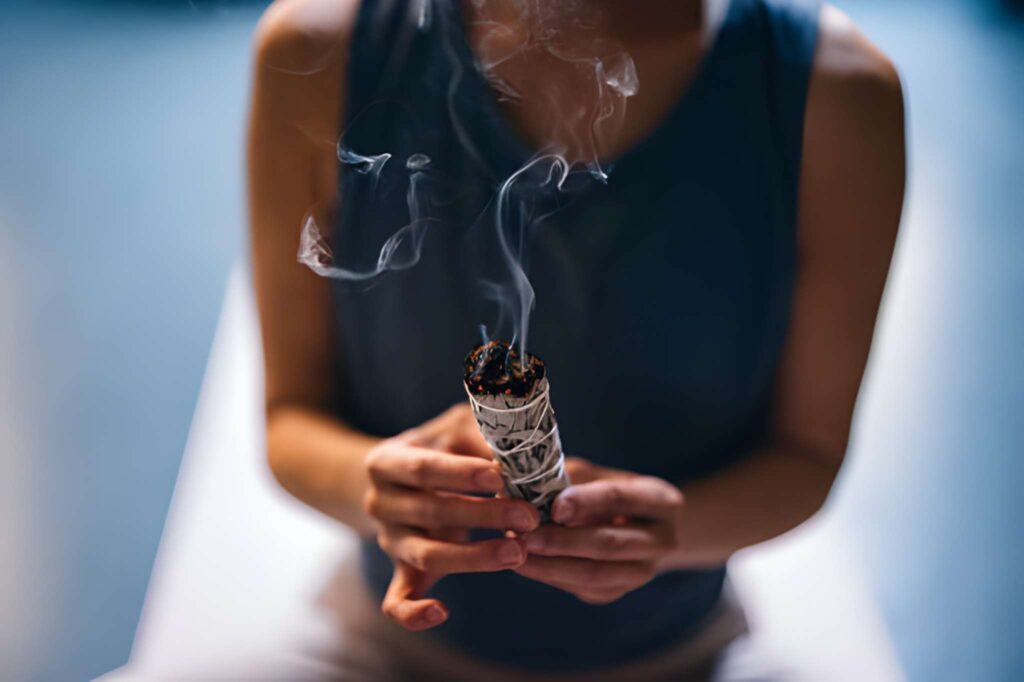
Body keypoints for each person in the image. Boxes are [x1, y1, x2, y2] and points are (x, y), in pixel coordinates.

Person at [247, 0, 905, 678]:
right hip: (384, 641)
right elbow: (290, 416)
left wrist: (670, 531)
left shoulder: (836, 93)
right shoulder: (316, 50)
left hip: (680, 650)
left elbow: (808, 456)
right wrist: (385, 488)